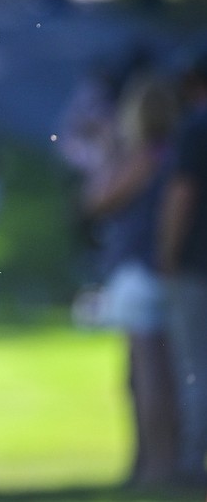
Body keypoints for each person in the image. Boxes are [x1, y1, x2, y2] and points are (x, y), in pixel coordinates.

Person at [82, 71, 181, 488]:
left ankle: (156, 466)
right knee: (151, 374)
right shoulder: (173, 153)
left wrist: (106, 151)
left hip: (140, 272)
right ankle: (151, 463)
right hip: (160, 272)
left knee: (147, 376)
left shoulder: (146, 155)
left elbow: (98, 199)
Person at [159, 49, 207, 485]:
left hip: (196, 263)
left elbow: (182, 195)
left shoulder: (195, 127)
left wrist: (168, 253)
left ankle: (195, 464)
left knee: (196, 367)